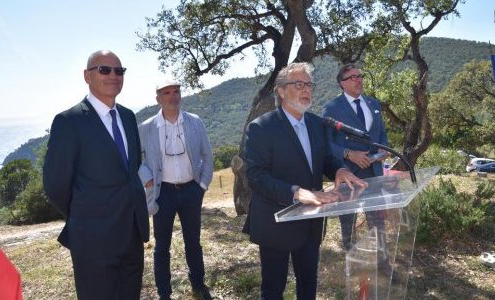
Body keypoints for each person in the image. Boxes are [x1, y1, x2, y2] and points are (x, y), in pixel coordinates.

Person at [243, 62, 367, 300]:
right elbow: (256, 176)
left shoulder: (315, 123)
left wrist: (339, 169)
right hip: (275, 221)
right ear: (281, 91)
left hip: (311, 223)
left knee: (308, 284)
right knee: (272, 289)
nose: (306, 90)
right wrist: (297, 192)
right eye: (298, 84)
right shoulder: (261, 127)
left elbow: (326, 158)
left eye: (309, 85)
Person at [43, 50, 149, 299]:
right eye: (104, 69)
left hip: (132, 235)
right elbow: (55, 185)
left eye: (119, 71)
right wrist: (85, 216)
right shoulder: (69, 122)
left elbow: (131, 170)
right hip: (92, 240)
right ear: (86, 76)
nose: (113, 75)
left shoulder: (128, 116)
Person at [138, 80, 213, 300]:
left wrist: (202, 186)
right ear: (158, 99)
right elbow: (135, 160)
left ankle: (198, 284)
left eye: (176, 91)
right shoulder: (146, 128)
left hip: (192, 189)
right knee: (162, 246)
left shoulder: (195, 122)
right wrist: (147, 180)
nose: (173, 96)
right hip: (163, 193)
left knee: (193, 241)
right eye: (166, 93)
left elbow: (207, 156)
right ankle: (164, 292)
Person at [321, 63, 389, 250]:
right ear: (342, 83)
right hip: (348, 173)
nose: (359, 80)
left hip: (374, 171)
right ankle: (350, 255)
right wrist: (349, 154)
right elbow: (326, 143)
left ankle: (382, 261)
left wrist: (384, 150)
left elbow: (381, 132)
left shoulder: (373, 104)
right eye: (353, 77)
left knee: (377, 220)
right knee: (348, 220)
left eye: (360, 76)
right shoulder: (332, 108)